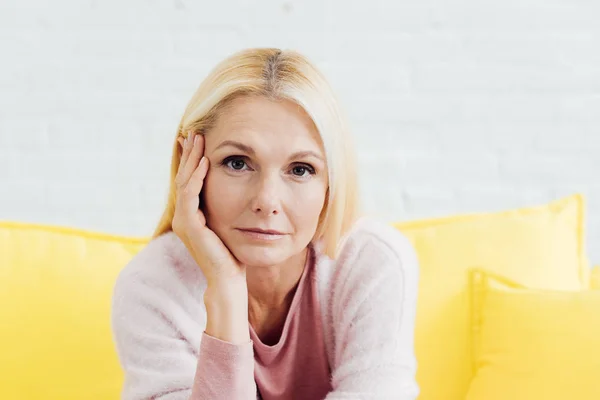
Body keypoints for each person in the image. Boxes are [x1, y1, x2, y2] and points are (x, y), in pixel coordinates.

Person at [111, 47, 420, 400]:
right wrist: (226, 291)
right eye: (238, 163)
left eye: (300, 170)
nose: (266, 202)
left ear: (332, 183)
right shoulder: (153, 288)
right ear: (190, 167)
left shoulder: (373, 263)